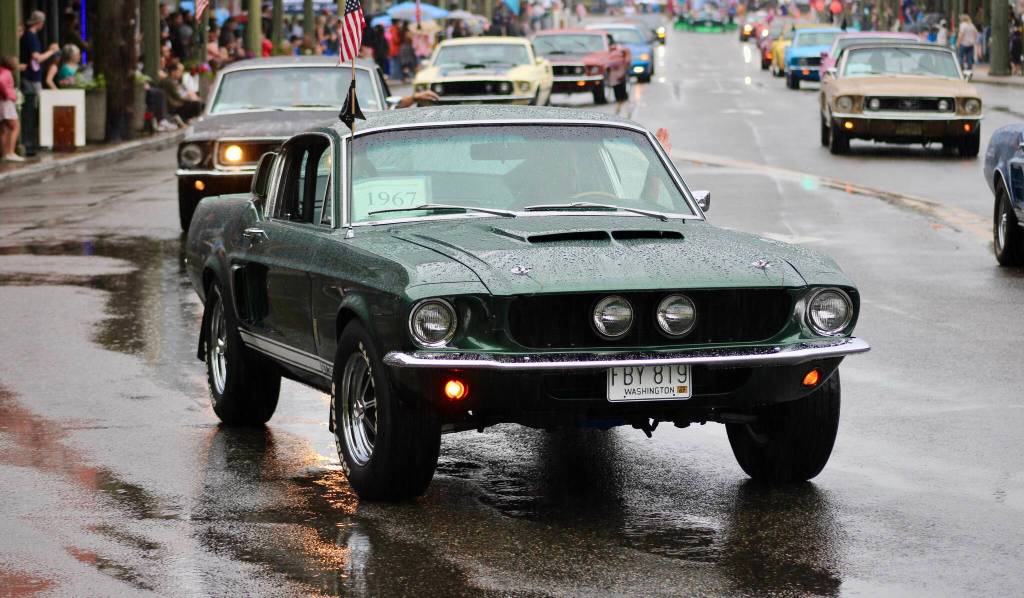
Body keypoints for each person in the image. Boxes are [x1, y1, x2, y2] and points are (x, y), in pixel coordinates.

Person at [19, 11, 60, 157]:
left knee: (35, 105)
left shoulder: (30, 37)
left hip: (33, 75)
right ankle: (32, 139)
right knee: (34, 105)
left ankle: (33, 138)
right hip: (31, 77)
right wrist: (51, 51)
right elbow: (37, 58)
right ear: (39, 23)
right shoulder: (31, 38)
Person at [0, 56, 23, 162]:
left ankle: (5, 153)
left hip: (2, 102)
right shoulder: (7, 73)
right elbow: (1, 82)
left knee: (4, 128)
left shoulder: (2, 70)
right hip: (6, 102)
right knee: (15, 126)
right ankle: (10, 152)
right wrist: (10, 95)